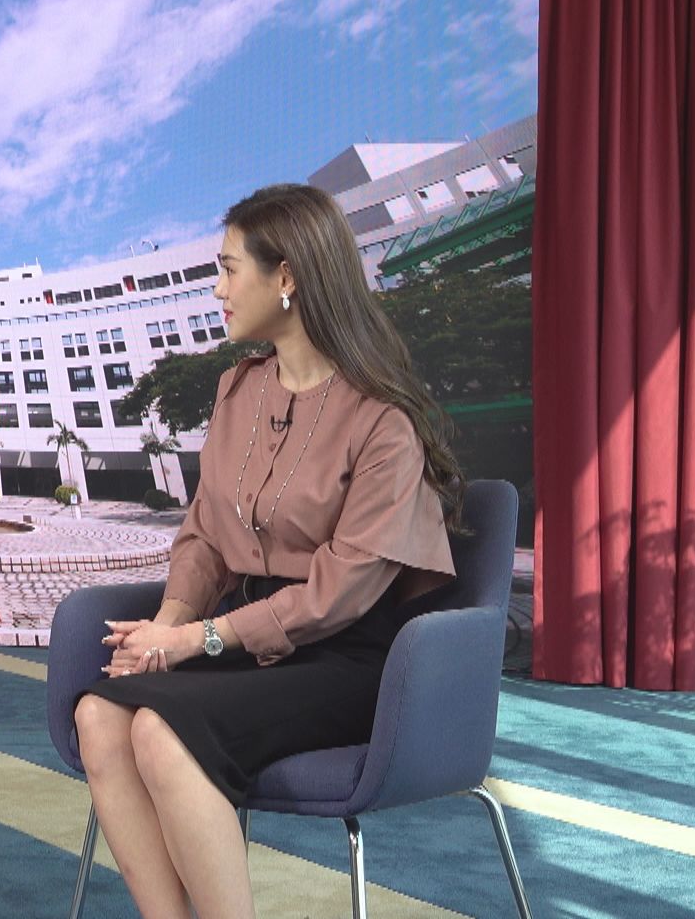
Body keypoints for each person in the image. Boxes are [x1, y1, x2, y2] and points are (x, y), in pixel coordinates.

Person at [74, 184, 464, 919]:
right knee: (98, 715)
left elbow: (342, 591)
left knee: (160, 732)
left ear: (285, 276)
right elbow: (205, 532)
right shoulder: (236, 391)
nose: (217, 290)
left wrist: (197, 638)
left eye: (228, 270)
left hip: (346, 656)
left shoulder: (382, 420)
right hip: (240, 643)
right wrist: (164, 631)